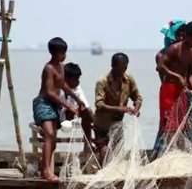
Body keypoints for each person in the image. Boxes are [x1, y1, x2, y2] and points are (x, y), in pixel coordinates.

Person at [32, 37, 86, 181]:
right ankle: (46, 172)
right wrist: (68, 105)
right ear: (54, 53)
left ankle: (46, 168)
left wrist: (77, 99)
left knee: (52, 140)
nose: (64, 56)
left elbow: (63, 86)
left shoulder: (61, 66)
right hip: (44, 103)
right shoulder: (48, 68)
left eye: (65, 53)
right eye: (62, 53)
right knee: (49, 134)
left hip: (54, 105)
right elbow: (49, 92)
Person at [153, 21, 192, 157]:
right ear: (185, 35)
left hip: (183, 91)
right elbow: (160, 66)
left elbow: (191, 75)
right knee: (167, 123)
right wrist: (177, 77)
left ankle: (180, 154)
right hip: (169, 89)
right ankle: (162, 156)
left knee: (183, 124)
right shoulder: (175, 48)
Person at [94, 53, 142, 160]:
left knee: (118, 150)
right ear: (112, 66)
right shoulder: (102, 81)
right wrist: (119, 109)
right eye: (119, 70)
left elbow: (137, 97)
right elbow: (99, 105)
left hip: (118, 123)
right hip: (102, 123)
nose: (121, 72)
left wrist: (136, 109)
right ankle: (104, 171)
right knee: (105, 151)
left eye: (124, 69)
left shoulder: (129, 79)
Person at [61, 63, 94, 145]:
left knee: (88, 112)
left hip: (71, 114)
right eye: (75, 79)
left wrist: (78, 109)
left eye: (78, 79)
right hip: (58, 116)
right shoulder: (57, 88)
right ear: (66, 79)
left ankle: (88, 143)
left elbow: (85, 106)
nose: (78, 82)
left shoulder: (77, 88)